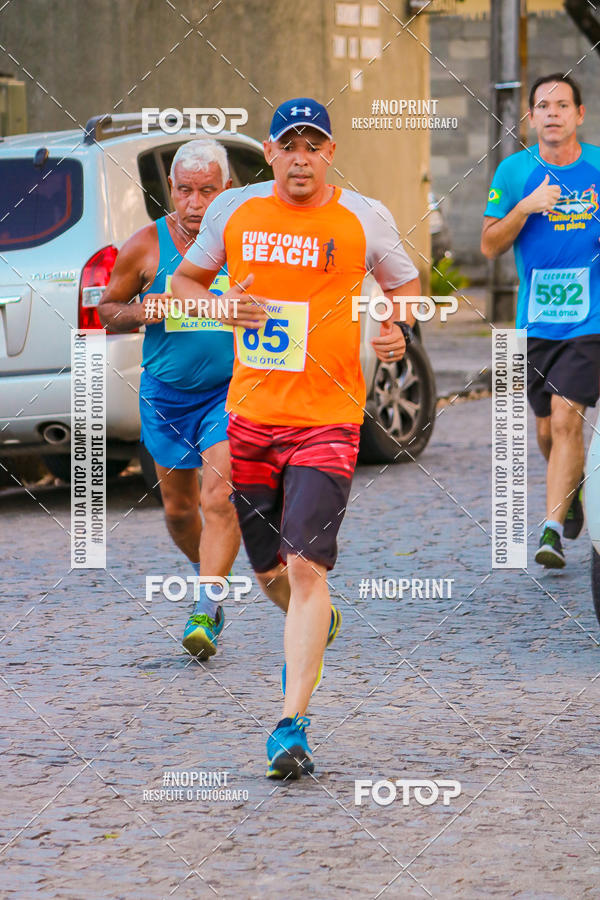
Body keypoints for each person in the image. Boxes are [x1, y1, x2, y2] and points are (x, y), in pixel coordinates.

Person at [171, 97, 420, 779]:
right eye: (290, 145)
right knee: (270, 573)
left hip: (329, 420)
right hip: (251, 417)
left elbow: (406, 285)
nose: (302, 157)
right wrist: (223, 305)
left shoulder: (364, 216)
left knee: (308, 568)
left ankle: (291, 724)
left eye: (315, 145)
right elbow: (182, 281)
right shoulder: (233, 212)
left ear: (330, 153)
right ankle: (315, 624)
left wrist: (396, 330)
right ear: (270, 151)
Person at [99, 139, 245, 658]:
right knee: (181, 512)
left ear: (226, 190)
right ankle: (209, 573)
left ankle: (206, 604)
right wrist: (142, 313)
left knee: (217, 498)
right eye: (185, 190)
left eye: (207, 190)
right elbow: (106, 308)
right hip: (165, 396)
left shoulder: (243, 241)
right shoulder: (145, 246)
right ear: (171, 191)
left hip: (229, 393)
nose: (195, 203)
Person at [481, 73, 600, 569]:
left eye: (562, 105)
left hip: (590, 320)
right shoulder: (513, 173)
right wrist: (526, 208)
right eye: (543, 106)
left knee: (569, 414)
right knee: (548, 428)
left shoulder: (597, 166)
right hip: (535, 323)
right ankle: (569, 493)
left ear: (579, 115)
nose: (552, 113)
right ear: (531, 118)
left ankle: (549, 531)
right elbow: (489, 245)